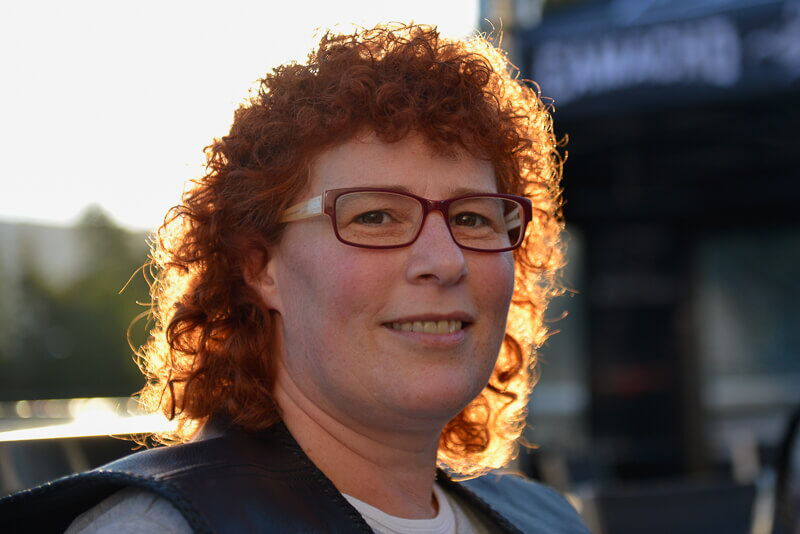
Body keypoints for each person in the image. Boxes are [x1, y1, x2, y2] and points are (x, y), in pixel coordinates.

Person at [0, 23, 589, 534]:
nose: (446, 259)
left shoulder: (548, 519)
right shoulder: (162, 528)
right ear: (260, 266)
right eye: (375, 216)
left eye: (473, 218)